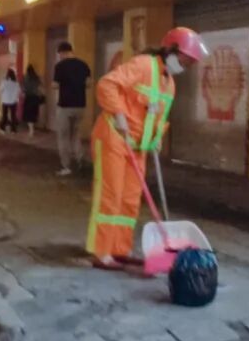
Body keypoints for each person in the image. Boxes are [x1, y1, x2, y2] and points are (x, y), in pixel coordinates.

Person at [86, 27, 210, 270]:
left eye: (190, 63)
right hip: (113, 138)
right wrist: (119, 114)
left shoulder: (169, 84)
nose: (186, 66)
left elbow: (159, 117)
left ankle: (119, 249)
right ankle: (102, 252)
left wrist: (156, 138)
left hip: (138, 147)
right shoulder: (143, 65)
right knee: (111, 195)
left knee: (130, 199)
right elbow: (107, 84)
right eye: (185, 60)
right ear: (171, 50)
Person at [52, 41, 91, 175]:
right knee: (75, 135)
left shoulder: (60, 66)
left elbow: (55, 85)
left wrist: (64, 84)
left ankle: (66, 166)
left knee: (63, 137)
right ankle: (80, 158)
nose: (59, 57)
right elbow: (88, 83)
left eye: (59, 54)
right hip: (80, 105)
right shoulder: (83, 65)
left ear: (62, 52)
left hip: (65, 105)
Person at [21, 64, 44, 137]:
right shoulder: (36, 77)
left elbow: (23, 88)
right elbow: (40, 87)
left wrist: (23, 93)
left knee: (28, 114)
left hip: (28, 98)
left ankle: (31, 130)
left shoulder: (25, 77)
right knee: (33, 113)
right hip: (35, 98)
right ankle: (32, 129)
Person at [0, 69, 21, 134]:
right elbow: (19, 92)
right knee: (13, 116)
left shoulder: (4, 82)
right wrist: (16, 98)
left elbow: (0, 90)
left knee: (4, 115)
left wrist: (1, 96)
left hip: (5, 101)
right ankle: (13, 130)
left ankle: (2, 129)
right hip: (13, 101)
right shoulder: (16, 83)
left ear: (7, 75)